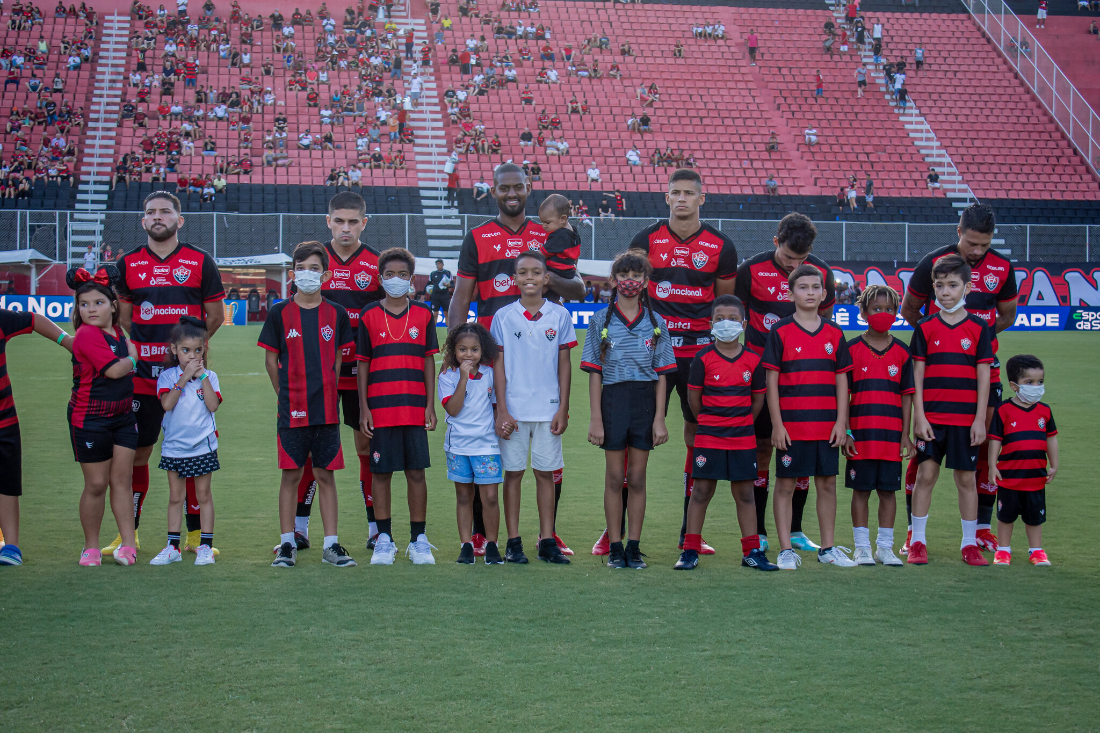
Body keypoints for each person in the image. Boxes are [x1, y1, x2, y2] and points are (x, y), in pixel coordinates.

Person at [448, 163, 584, 556]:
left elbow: (575, 286)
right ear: (493, 191)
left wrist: (539, 278)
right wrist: (459, 351)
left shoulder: (549, 231)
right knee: (485, 444)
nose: (511, 193)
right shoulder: (478, 237)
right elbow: (461, 296)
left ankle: (548, 533)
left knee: (545, 458)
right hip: (490, 356)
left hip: (538, 355)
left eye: (518, 187)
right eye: (504, 187)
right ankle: (481, 531)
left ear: (529, 189)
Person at [621, 169, 737, 557]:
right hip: (651, 351)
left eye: (690, 193)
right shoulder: (646, 239)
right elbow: (631, 291)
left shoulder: (721, 245)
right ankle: (614, 530)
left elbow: (724, 308)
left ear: (702, 199)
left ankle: (689, 532)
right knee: (634, 436)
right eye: (676, 193)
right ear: (666, 198)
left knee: (695, 435)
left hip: (697, 354)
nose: (683, 198)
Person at [112, 192, 225, 557]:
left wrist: (189, 358)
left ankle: (194, 536)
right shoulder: (127, 263)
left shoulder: (200, 261)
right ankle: (130, 535)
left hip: (191, 381)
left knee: (193, 454)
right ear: (143, 221)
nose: (157, 217)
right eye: (150, 213)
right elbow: (126, 318)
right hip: (144, 377)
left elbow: (215, 316)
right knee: (140, 454)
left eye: (165, 211)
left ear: (180, 219)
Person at [899, 204, 1016, 555]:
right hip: (936, 382)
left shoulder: (1002, 266)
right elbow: (908, 309)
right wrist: (943, 338)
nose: (977, 251)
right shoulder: (932, 263)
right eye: (971, 243)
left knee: (982, 452)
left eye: (984, 244)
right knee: (924, 461)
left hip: (981, 374)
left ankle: (980, 530)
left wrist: (972, 336)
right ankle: (912, 532)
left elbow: (1007, 314)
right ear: (958, 231)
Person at [735, 213, 837, 553]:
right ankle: (762, 529)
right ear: (776, 242)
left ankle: (795, 530)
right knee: (765, 448)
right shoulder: (750, 270)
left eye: (802, 260)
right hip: (763, 375)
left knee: (805, 451)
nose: (796, 267)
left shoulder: (822, 274)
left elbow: (826, 323)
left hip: (805, 378)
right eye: (789, 259)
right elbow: (736, 317)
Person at [287, 194, 383, 550]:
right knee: (311, 451)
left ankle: (376, 528)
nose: (346, 228)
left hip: (361, 375)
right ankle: (299, 528)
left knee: (365, 445)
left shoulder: (375, 264)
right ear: (328, 221)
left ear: (364, 223)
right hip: (316, 376)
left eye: (352, 221)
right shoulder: (314, 264)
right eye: (339, 221)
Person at [263, 241, 357, 569]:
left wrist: (326, 390)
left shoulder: (336, 313)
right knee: (291, 475)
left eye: (314, 269)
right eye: (301, 268)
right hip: (291, 408)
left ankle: (331, 545)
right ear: (292, 274)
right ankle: (287, 542)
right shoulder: (279, 312)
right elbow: (271, 360)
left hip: (326, 410)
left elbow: (338, 359)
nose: (307, 274)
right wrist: (285, 394)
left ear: (326, 275)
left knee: (325, 475)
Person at [582, 250, 674, 570]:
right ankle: (616, 546)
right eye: (624, 276)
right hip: (613, 400)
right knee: (614, 476)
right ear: (613, 280)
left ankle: (634, 546)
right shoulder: (599, 321)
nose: (630, 282)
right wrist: (596, 418)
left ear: (646, 281)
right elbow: (595, 372)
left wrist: (660, 418)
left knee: (636, 477)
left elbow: (662, 374)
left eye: (636, 276)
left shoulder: (656, 323)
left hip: (644, 401)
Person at [762, 264, 856, 570]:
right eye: (803, 287)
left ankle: (828, 547)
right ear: (791, 293)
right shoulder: (781, 331)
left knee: (827, 483)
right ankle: (786, 549)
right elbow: (771, 380)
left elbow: (842, 380)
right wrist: (777, 424)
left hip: (826, 425)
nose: (810, 293)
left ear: (825, 293)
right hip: (792, 426)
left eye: (816, 287)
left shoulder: (834, 332)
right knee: (786, 485)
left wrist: (842, 422)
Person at [675, 294, 777, 571]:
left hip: (743, 438)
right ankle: (690, 550)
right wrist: (710, 422)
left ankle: (751, 551)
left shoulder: (753, 361)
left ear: (743, 323)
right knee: (701, 491)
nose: (726, 324)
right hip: (709, 436)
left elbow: (757, 401)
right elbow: (694, 401)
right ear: (711, 323)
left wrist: (741, 423)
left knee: (745, 494)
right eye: (720, 319)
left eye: (732, 319)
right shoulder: (702, 358)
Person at [490, 250, 577, 565]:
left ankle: (547, 540)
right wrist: (501, 409)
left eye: (536, 272)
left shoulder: (560, 315)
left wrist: (563, 408)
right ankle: (513, 542)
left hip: (547, 410)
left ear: (546, 278)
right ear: (515, 279)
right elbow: (497, 364)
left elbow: (564, 364)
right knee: (512, 474)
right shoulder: (503, 316)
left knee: (545, 474)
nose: (530, 278)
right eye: (523, 272)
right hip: (512, 411)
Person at [907, 254, 993, 566]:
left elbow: (984, 376)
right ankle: (917, 541)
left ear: (967, 287)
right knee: (926, 475)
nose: (945, 291)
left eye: (952, 285)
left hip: (965, 420)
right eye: (939, 285)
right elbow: (917, 374)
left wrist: (980, 419)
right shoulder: (926, 327)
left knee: (966, 480)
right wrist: (920, 416)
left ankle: (969, 544)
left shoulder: (979, 329)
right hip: (933, 419)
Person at [357, 248, 439, 565]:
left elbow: (429, 361)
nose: (396, 280)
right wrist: (364, 407)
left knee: (416, 472)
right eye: (389, 275)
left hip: (414, 408)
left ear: (411, 279)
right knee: (381, 474)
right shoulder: (368, 315)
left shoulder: (424, 314)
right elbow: (363, 364)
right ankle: (385, 539)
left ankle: (418, 539)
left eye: (402, 275)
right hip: (380, 409)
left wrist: (430, 404)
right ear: (380, 278)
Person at [67, 266, 140, 566]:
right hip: (90, 420)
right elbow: (114, 370)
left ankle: (127, 545)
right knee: (97, 484)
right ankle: (91, 547)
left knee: (122, 481)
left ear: (112, 305)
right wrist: (133, 357)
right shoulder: (86, 335)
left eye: (97, 303)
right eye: (83, 304)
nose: (90, 309)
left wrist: (129, 352)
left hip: (123, 417)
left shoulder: (118, 331)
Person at [0, 291, 73, 565]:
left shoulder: (2, 318)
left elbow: (34, 320)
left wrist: (67, 341)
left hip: (4, 420)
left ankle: (11, 547)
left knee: (8, 485)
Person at [842, 285, 912, 567]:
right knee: (861, 491)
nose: (883, 314)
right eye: (876, 309)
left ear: (896, 313)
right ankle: (861, 548)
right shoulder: (851, 349)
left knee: (888, 491)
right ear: (863, 312)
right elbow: (842, 395)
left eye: (889, 309)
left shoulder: (903, 352)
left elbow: (907, 397)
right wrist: (846, 431)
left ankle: (885, 547)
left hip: (891, 436)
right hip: (860, 435)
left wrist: (906, 434)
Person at [149, 317, 221, 566]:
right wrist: (183, 379)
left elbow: (213, 405)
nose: (192, 356)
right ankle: (172, 547)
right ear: (174, 350)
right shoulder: (168, 377)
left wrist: (201, 378)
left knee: (203, 496)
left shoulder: (210, 376)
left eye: (198, 350)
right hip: (174, 448)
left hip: (203, 446)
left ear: (205, 349)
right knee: (175, 497)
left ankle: (206, 547)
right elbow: (167, 404)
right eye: (185, 350)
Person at [438, 323, 504, 564]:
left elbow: (497, 405)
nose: (468, 354)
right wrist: (463, 379)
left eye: (474, 349)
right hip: (458, 446)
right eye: (462, 349)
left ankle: (493, 545)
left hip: (486, 445)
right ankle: (466, 545)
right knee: (464, 496)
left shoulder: (490, 373)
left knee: (490, 497)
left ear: (482, 350)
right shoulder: (447, 376)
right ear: (454, 351)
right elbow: (453, 409)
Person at [988, 355, 1058, 567]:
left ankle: (1036, 551)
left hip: (1035, 476)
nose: (1036, 387)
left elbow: (1051, 438)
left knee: (1034, 517)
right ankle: (1003, 551)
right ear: (1014, 385)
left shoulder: (1044, 411)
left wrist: (1054, 464)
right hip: (1009, 475)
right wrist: (992, 465)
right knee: (1005, 516)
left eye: (1040, 382)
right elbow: (995, 441)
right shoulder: (1003, 410)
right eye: (1030, 383)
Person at [537, 194, 580, 304]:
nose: (543, 226)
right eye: (542, 222)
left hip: (558, 270)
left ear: (563, 219)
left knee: (540, 283)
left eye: (547, 222)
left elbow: (542, 254)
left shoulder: (559, 236)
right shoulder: (574, 231)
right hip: (569, 270)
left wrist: (527, 256)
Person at [428, 258, 453, 325]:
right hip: (435, 296)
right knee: (435, 314)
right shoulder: (433, 274)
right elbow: (428, 284)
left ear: (442, 264)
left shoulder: (447, 273)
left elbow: (452, 284)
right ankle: (433, 331)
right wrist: (424, 292)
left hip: (444, 296)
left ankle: (449, 330)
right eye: (437, 264)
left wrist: (448, 285)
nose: (438, 265)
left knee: (446, 313)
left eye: (439, 264)